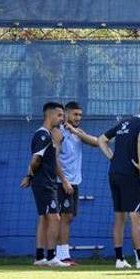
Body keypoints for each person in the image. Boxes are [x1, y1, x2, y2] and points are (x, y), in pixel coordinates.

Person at [98, 101, 140, 269]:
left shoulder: (125, 122)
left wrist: (112, 158)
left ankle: (120, 259)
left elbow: (101, 140)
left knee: (120, 217)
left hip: (114, 173)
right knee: (137, 217)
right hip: (130, 175)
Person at [22, 102, 71, 268]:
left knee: (44, 219)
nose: (62, 119)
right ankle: (51, 256)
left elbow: (51, 161)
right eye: (60, 115)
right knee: (55, 218)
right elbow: (36, 159)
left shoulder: (49, 136)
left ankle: (40, 257)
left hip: (47, 182)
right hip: (44, 183)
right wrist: (30, 175)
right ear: (50, 116)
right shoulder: (43, 135)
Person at [56, 101, 99, 265]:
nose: (78, 117)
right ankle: (61, 256)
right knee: (63, 218)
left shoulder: (77, 132)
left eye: (80, 115)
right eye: (75, 114)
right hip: (62, 182)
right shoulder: (59, 133)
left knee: (69, 218)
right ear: (66, 114)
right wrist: (64, 180)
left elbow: (96, 142)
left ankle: (61, 254)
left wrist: (76, 131)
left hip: (74, 182)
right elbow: (55, 159)